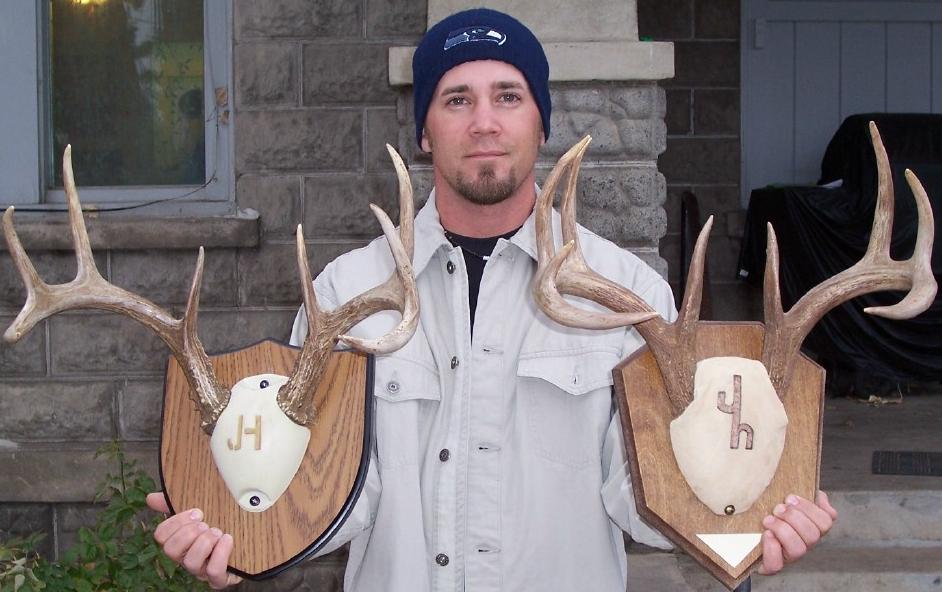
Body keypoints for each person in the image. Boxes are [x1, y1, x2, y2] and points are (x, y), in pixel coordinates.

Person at [146, 8, 837, 591]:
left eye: (508, 96)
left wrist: (741, 525)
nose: (484, 122)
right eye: (457, 99)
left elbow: (640, 497)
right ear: (424, 131)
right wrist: (244, 542)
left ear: (542, 122)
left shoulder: (631, 299)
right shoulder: (342, 296)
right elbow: (331, 500)